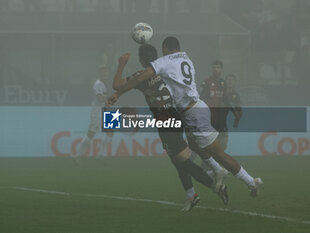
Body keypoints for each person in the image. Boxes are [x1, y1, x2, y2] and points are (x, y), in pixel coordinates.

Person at [107, 36, 262, 197]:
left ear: (166, 48)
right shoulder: (186, 57)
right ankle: (217, 171)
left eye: (163, 50)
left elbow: (139, 78)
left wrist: (117, 93)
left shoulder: (164, 62)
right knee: (194, 145)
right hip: (192, 110)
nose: (163, 53)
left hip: (193, 113)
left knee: (217, 153)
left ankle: (251, 182)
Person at [112, 44, 228, 210]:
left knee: (182, 161)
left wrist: (122, 63)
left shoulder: (142, 76)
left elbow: (117, 85)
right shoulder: (165, 69)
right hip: (179, 115)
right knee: (177, 160)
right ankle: (191, 195)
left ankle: (216, 186)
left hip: (166, 122)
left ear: (141, 59)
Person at [79, 66, 113, 157]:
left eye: (106, 72)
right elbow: (99, 98)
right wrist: (110, 99)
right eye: (103, 72)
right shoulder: (98, 84)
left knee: (110, 131)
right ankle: (78, 155)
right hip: (98, 111)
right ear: (100, 74)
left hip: (107, 110)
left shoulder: (107, 84)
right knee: (91, 133)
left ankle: (100, 154)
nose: (105, 74)